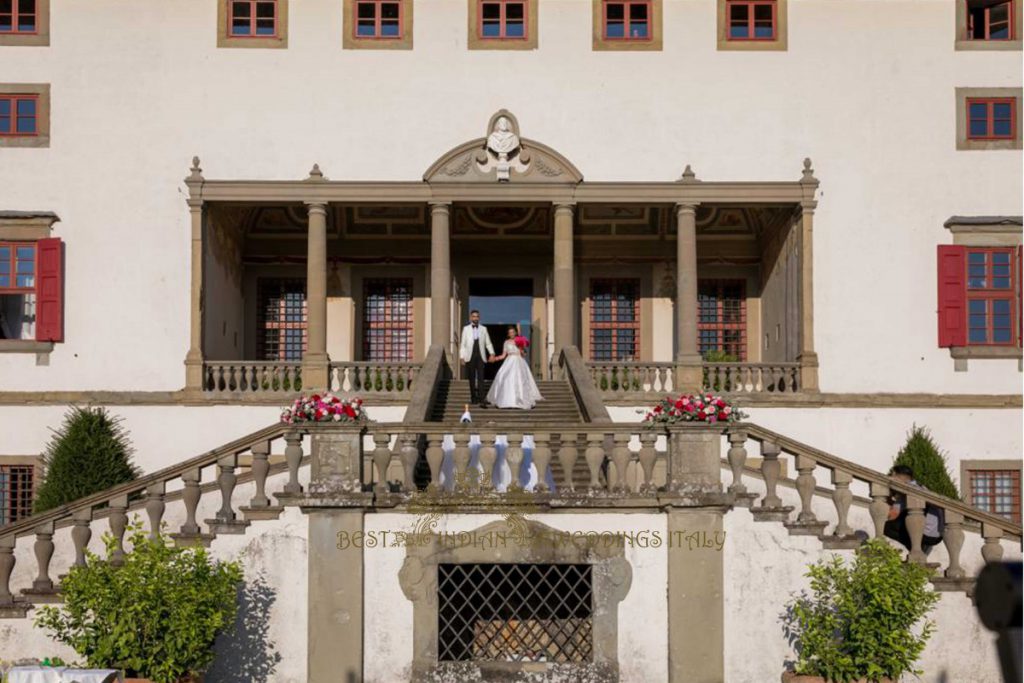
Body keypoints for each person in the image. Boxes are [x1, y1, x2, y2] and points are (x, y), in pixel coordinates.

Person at [884, 464, 945, 555]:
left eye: (893, 476)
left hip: (926, 535)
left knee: (887, 527)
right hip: (938, 536)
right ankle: (918, 547)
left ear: (898, 477)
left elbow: (891, 516)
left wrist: (887, 498)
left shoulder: (907, 490)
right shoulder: (921, 487)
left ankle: (917, 548)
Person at [485, 324, 543, 410]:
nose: (511, 334)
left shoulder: (519, 340)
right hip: (509, 361)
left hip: (519, 361)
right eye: (510, 333)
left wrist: (521, 348)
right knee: (506, 378)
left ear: (515, 333)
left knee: (520, 380)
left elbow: (524, 354)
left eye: (513, 332)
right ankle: (506, 400)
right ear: (508, 334)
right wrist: (495, 358)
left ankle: (520, 400)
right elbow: (503, 355)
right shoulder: (506, 342)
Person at [459, 310, 495, 408]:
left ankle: (482, 399)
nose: (475, 318)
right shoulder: (466, 329)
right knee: (471, 378)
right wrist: (461, 357)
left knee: (481, 377)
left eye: (477, 316)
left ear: (479, 318)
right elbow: (463, 344)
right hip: (469, 356)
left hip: (480, 355)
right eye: (473, 316)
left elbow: (488, 343)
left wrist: (492, 353)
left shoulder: (484, 329)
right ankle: (473, 398)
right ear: (471, 318)